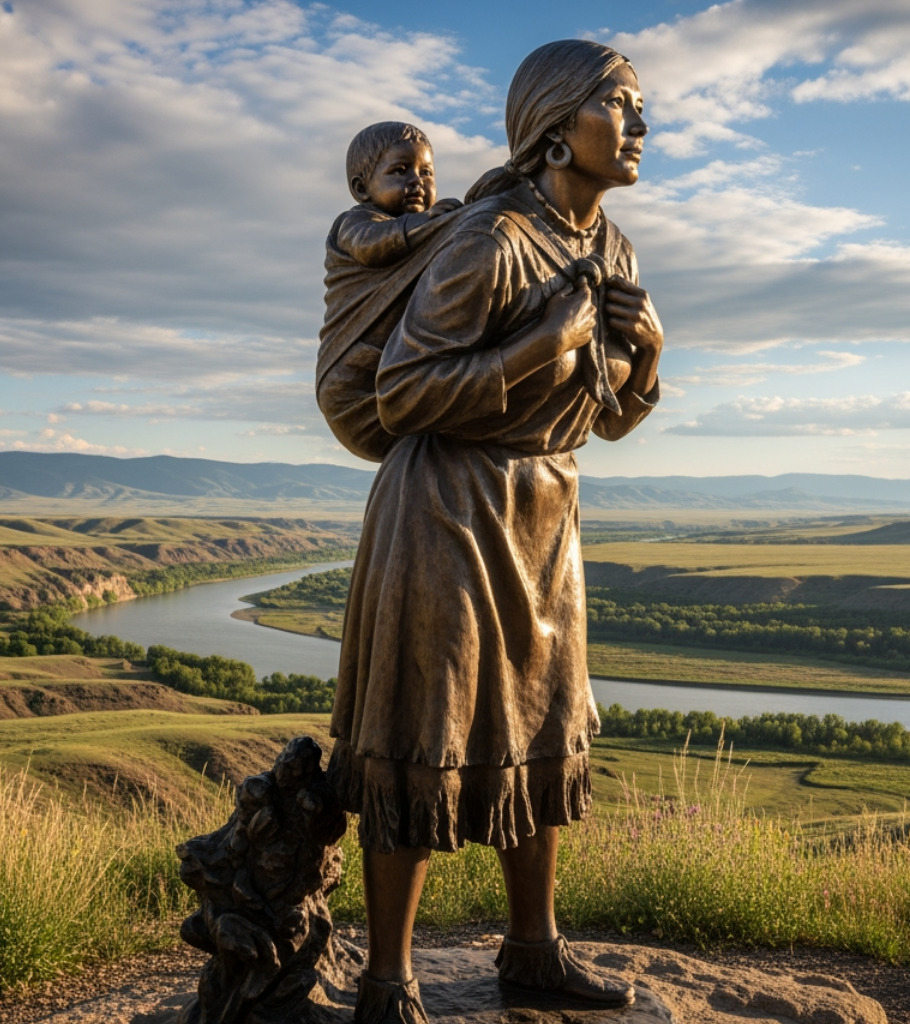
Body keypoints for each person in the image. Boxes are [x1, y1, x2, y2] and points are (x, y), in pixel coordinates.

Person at [325, 39, 664, 1024]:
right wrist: (536, 344)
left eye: (640, 110)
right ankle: (387, 982)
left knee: (542, 723)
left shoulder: (611, 250)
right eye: (622, 107)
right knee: (421, 730)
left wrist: (646, 358)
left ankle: (533, 949)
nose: (640, 127)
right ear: (557, 129)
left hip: (545, 511)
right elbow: (403, 390)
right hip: (447, 510)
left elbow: (608, 417)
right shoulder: (492, 236)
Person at [317, 122, 464, 462]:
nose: (416, 181)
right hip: (353, 385)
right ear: (361, 188)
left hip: (399, 378)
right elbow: (374, 245)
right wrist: (432, 223)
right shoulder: (353, 223)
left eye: (426, 172)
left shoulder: (428, 237)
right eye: (399, 171)